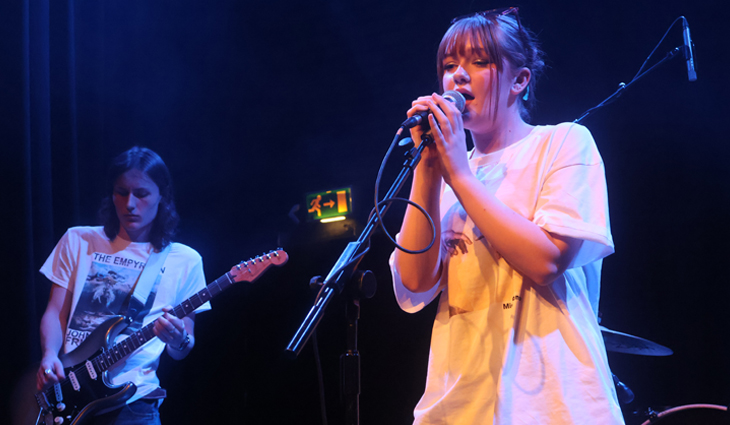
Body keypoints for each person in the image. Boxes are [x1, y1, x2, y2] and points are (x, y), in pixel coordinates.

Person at [390, 8, 624, 424]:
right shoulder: (445, 176)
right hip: (459, 405)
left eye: (479, 62)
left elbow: (546, 260)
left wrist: (458, 173)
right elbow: (414, 282)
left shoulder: (563, 143)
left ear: (520, 81)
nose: (457, 77)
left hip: (554, 403)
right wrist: (428, 167)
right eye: (449, 65)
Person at [36, 146, 210, 424]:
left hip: (134, 403)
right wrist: (48, 356)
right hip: (70, 393)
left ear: (161, 195)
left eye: (141, 194)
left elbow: (182, 349)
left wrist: (178, 338)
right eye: (121, 192)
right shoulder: (77, 240)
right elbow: (55, 312)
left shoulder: (185, 260)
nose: (130, 204)